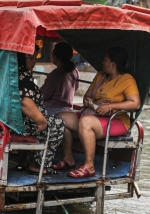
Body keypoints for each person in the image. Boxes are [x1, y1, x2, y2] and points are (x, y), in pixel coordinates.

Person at [53, 47, 140, 178]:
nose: (102, 62)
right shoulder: (100, 76)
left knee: (85, 122)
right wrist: (88, 100)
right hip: (93, 114)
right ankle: (68, 159)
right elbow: (87, 95)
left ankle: (89, 166)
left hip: (116, 121)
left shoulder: (126, 80)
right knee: (61, 117)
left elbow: (135, 103)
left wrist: (110, 106)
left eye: (105, 59)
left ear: (113, 63)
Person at [15, 46, 65, 174]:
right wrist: (42, 122)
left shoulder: (19, 73)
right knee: (57, 125)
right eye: (31, 58)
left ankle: (24, 160)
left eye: (35, 58)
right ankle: (37, 164)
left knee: (52, 120)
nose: (34, 61)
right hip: (16, 123)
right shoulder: (20, 76)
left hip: (17, 120)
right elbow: (25, 102)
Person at [40, 42, 80, 117]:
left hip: (52, 110)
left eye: (53, 53)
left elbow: (43, 95)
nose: (51, 55)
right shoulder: (75, 70)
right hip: (69, 108)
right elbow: (76, 87)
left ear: (56, 56)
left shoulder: (55, 75)